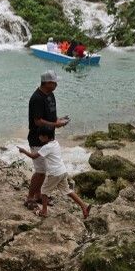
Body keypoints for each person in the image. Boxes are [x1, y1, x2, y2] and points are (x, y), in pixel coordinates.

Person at [18, 132, 90, 218]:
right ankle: (84, 206)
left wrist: (23, 151)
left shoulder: (46, 147)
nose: (39, 138)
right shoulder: (55, 143)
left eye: (40, 136)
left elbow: (34, 156)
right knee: (67, 190)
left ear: (46, 136)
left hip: (54, 173)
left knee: (44, 191)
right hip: (62, 171)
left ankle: (44, 211)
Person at [25, 71, 69, 209]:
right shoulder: (37, 98)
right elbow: (37, 122)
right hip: (38, 138)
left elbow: (50, 116)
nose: (56, 84)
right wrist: (56, 124)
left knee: (43, 170)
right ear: (47, 83)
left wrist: (58, 120)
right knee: (40, 171)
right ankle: (29, 198)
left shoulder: (50, 94)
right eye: (54, 82)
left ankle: (38, 195)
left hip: (48, 138)